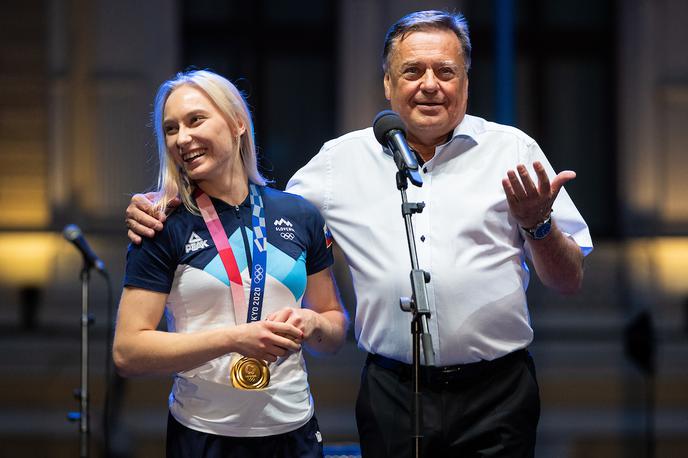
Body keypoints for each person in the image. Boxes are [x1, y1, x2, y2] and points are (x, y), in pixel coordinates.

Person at [125, 11, 592, 458]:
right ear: (389, 84)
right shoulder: (339, 163)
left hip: (499, 393)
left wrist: (538, 224)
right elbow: (259, 212)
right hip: (392, 393)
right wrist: (167, 199)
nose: (429, 84)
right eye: (412, 71)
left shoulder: (513, 151)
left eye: (445, 71)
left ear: (466, 83)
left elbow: (568, 280)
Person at [113, 69, 348, 458]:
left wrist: (314, 323)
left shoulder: (300, 214)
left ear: (238, 123)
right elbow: (128, 351)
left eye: (195, 120)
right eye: (170, 129)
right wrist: (233, 339)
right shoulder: (161, 223)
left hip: (295, 432)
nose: (182, 138)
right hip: (204, 435)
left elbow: (334, 328)